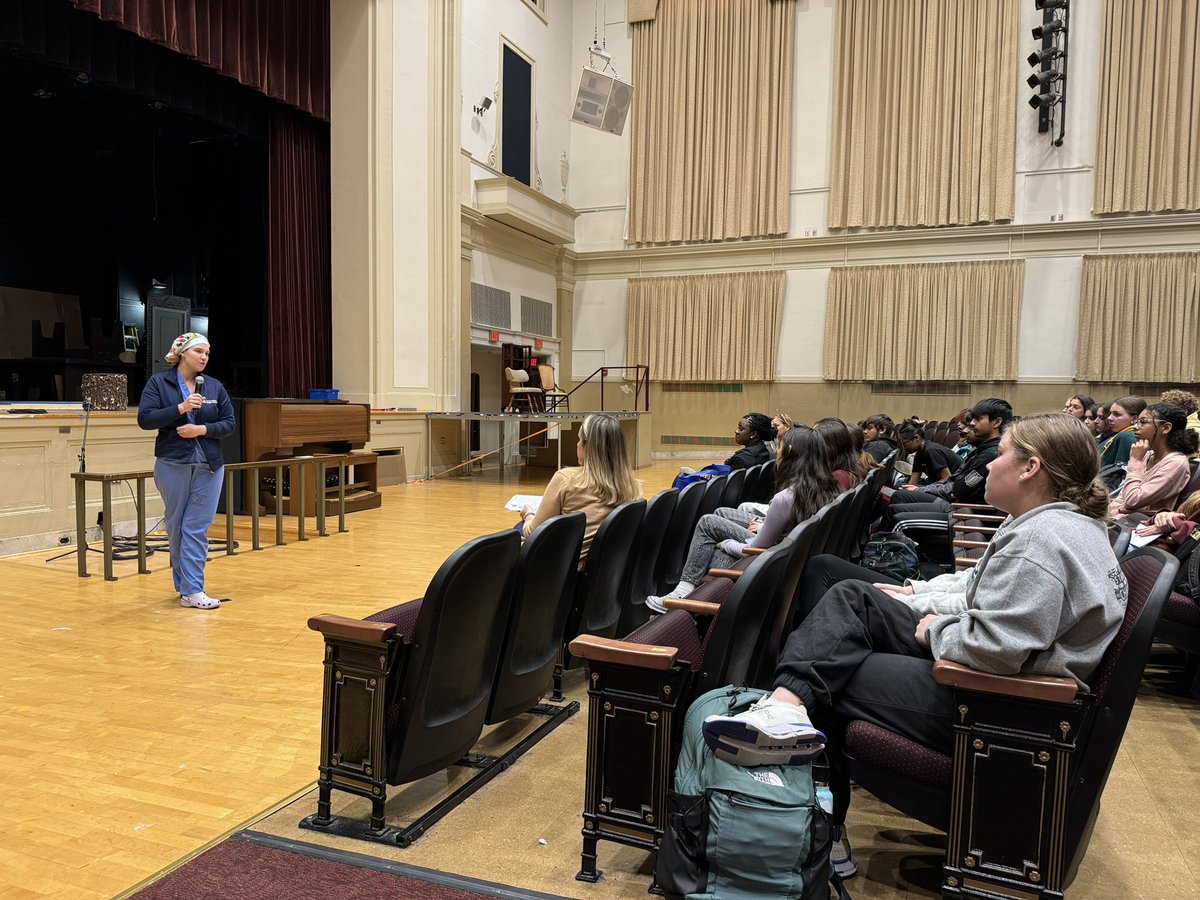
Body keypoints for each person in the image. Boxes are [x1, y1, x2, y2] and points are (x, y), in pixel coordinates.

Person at [701, 413, 1127, 878]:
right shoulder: (1058, 527)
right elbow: (985, 600)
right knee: (849, 596)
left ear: (1031, 468)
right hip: (1005, 689)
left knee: (828, 669)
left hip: (997, 707)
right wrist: (918, 598)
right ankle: (784, 704)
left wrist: (934, 631)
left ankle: (821, 823)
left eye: (1001, 455)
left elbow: (996, 649)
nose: (986, 467)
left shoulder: (1042, 541)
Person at [646, 426, 842, 611]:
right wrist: (766, 525)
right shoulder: (827, 486)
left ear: (790, 451)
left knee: (707, 530)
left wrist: (727, 544)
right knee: (721, 514)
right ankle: (688, 591)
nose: (777, 450)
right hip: (785, 557)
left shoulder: (786, 498)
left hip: (767, 566)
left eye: (780, 445)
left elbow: (757, 547)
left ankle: (681, 595)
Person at [137, 333, 236, 609]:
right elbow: (145, 419)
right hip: (173, 463)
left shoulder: (214, 387)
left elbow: (229, 423)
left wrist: (202, 429)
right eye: (199, 352)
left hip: (209, 465)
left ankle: (194, 589)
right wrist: (181, 408)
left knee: (196, 526)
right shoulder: (159, 383)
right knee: (176, 526)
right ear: (182, 353)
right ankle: (185, 589)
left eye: (207, 352)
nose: (204, 357)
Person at [518, 413, 642, 568]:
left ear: (588, 445)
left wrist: (528, 514)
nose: (577, 444)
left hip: (561, 572)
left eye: (579, 440)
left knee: (518, 529)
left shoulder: (566, 479)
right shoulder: (632, 489)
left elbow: (533, 533)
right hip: (601, 574)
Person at [882, 398, 1011, 537]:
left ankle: (883, 552)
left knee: (898, 517)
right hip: (958, 506)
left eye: (978, 419)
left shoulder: (990, 454)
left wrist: (922, 489)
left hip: (964, 514)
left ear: (997, 422)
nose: (972, 423)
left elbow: (958, 489)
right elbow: (955, 482)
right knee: (897, 500)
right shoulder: (982, 449)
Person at [1109, 403, 1197, 517]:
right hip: (1121, 519)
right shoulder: (1148, 455)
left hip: (1141, 526)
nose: (1135, 427)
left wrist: (1135, 461)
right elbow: (1123, 496)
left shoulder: (1176, 463)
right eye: (1137, 421)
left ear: (1165, 428)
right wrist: (1109, 511)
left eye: (1143, 422)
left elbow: (1132, 501)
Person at [895, 420, 962, 486]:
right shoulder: (919, 454)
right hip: (935, 482)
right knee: (900, 484)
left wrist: (920, 490)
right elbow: (913, 482)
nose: (904, 448)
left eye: (905, 444)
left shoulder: (931, 451)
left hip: (954, 485)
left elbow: (946, 479)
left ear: (916, 438)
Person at [1100, 396, 1146, 467]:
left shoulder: (1127, 436)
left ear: (1135, 419)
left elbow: (1119, 473)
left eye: (1117, 414)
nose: (1109, 418)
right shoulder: (1124, 434)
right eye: (1111, 413)